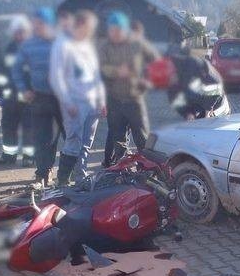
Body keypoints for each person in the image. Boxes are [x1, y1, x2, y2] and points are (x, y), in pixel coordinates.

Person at [49, 10, 107, 187]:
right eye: (88, 28)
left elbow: (96, 75)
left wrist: (102, 100)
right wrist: (67, 101)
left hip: (93, 104)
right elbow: (56, 77)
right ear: (79, 25)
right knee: (73, 141)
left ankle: (80, 177)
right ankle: (63, 179)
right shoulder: (63, 45)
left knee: (86, 143)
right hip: (75, 103)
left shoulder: (87, 46)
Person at [99, 11, 159, 167]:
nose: (115, 34)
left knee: (142, 138)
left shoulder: (136, 43)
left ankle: (146, 168)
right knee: (118, 140)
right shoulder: (105, 47)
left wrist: (148, 80)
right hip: (114, 101)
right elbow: (101, 69)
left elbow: (157, 61)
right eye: (112, 30)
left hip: (134, 99)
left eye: (118, 30)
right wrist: (116, 71)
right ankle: (122, 170)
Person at [12, 8, 64, 186]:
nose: (37, 27)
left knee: (70, 137)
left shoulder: (62, 42)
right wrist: (23, 89)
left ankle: (67, 175)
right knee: (43, 138)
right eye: (35, 24)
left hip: (63, 99)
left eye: (40, 24)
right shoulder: (28, 45)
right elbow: (16, 69)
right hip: (40, 98)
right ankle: (43, 173)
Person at [0, 16, 34, 165]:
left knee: (30, 129)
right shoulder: (9, 49)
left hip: (28, 98)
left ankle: (29, 158)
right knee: (8, 127)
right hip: (10, 98)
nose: (19, 34)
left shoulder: (32, 49)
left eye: (22, 31)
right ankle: (9, 155)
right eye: (17, 32)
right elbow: (2, 73)